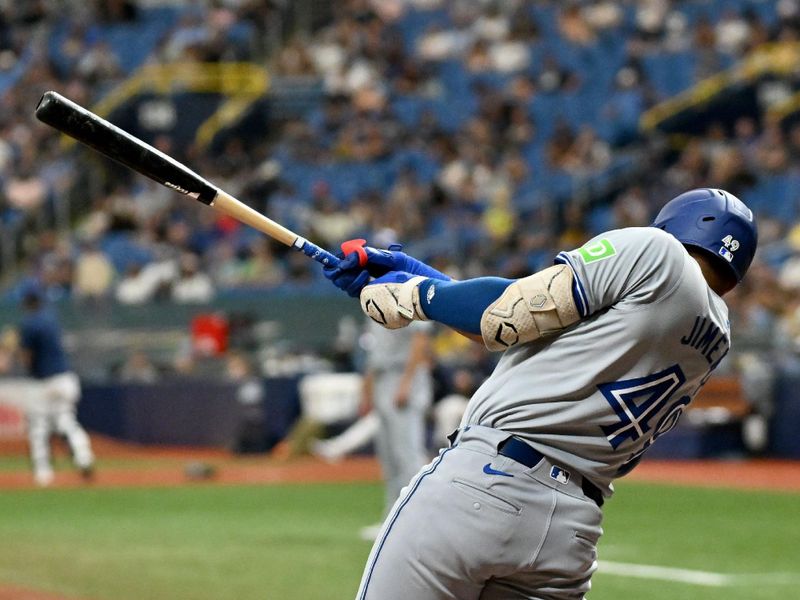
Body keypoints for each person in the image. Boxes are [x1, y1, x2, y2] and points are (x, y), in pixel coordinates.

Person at [322, 188, 758, 599]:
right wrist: (413, 272)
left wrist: (415, 294)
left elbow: (507, 315)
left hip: (482, 487)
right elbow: (522, 327)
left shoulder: (656, 252)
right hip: (570, 532)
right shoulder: (715, 333)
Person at [356, 316, 434, 541]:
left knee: (408, 454)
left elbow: (421, 340)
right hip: (383, 375)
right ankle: (391, 519)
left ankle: (418, 521)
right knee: (389, 457)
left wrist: (407, 383)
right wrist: (368, 386)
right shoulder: (374, 293)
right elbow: (375, 350)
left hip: (403, 374)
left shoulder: (408, 286)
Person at [17, 287, 95, 487]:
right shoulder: (52, 319)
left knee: (39, 427)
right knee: (66, 421)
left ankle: (43, 473)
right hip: (65, 378)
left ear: (27, 302)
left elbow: (27, 358)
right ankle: (84, 457)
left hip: (43, 381)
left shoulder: (29, 323)